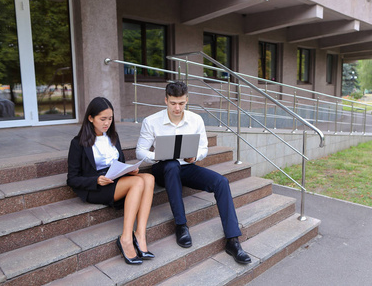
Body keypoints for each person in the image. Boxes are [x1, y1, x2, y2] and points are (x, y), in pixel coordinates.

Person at [136, 81, 251, 264]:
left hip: (186, 167)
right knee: (172, 164)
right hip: (163, 168)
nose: (177, 107)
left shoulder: (196, 119)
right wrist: (159, 156)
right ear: (166, 100)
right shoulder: (151, 121)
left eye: (181, 103)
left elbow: (203, 148)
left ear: (187, 100)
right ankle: (181, 225)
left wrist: (194, 157)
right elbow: (140, 151)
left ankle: (233, 240)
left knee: (221, 182)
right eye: (173, 103)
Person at [67, 97, 155, 265]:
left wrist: (129, 169)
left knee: (149, 178)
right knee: (137, 183)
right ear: (90, 118)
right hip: (96, 187)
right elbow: (72, 179)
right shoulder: (77, 143)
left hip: (115, 179)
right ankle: (126, 238)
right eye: (102, 119)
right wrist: (96, 180)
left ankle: (140, 235)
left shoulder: (113, 136)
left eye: (110, 118)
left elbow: (118, 162)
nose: (107, 123)